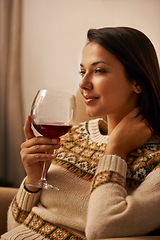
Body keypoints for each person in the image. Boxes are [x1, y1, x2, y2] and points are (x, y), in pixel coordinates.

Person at [1, 27, 160, 240]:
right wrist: (33, 179)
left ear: (137, 82)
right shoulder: (73, 136)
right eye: (83, 71)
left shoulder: (155, 160)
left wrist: (115, 151)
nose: (83, 84)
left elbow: (103, 229)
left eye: (99, 70)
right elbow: (15, 227)